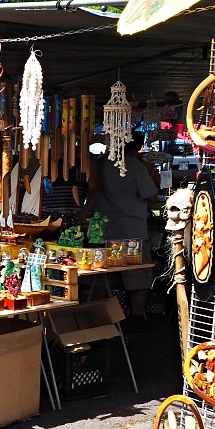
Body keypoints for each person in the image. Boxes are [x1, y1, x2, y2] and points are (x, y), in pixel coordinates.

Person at [81, 131, 159, 325]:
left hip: (105, 233)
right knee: (136, 279)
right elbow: (152, 197)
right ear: (134, 148)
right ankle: (136, 320)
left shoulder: (101, 165)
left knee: (103, 277)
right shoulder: (134, 166)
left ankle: (98, 321)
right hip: (131, 233)